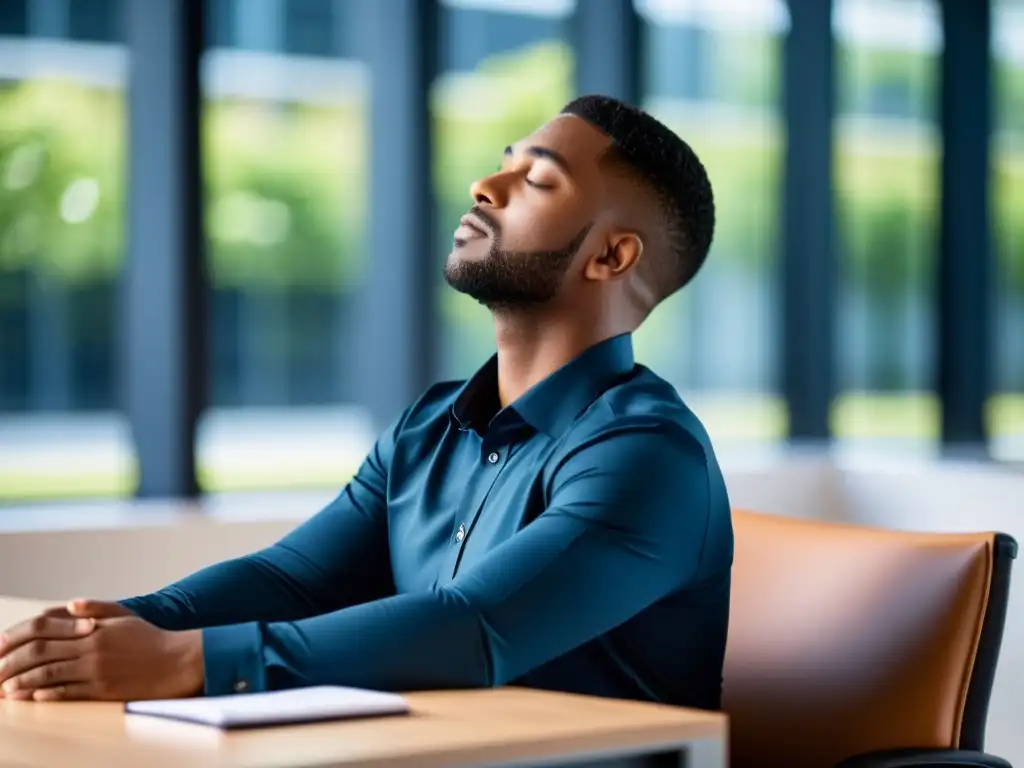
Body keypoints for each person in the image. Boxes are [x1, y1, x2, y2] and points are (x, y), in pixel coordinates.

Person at [0, 95, 732, 708]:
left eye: (536, 181)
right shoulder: (428, 426)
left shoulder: (649, 455)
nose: (484, 186)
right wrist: (99, 631)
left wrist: (187, 661)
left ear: (612, 256)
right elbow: (291, 579)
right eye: (503, 163)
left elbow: (473, 629)